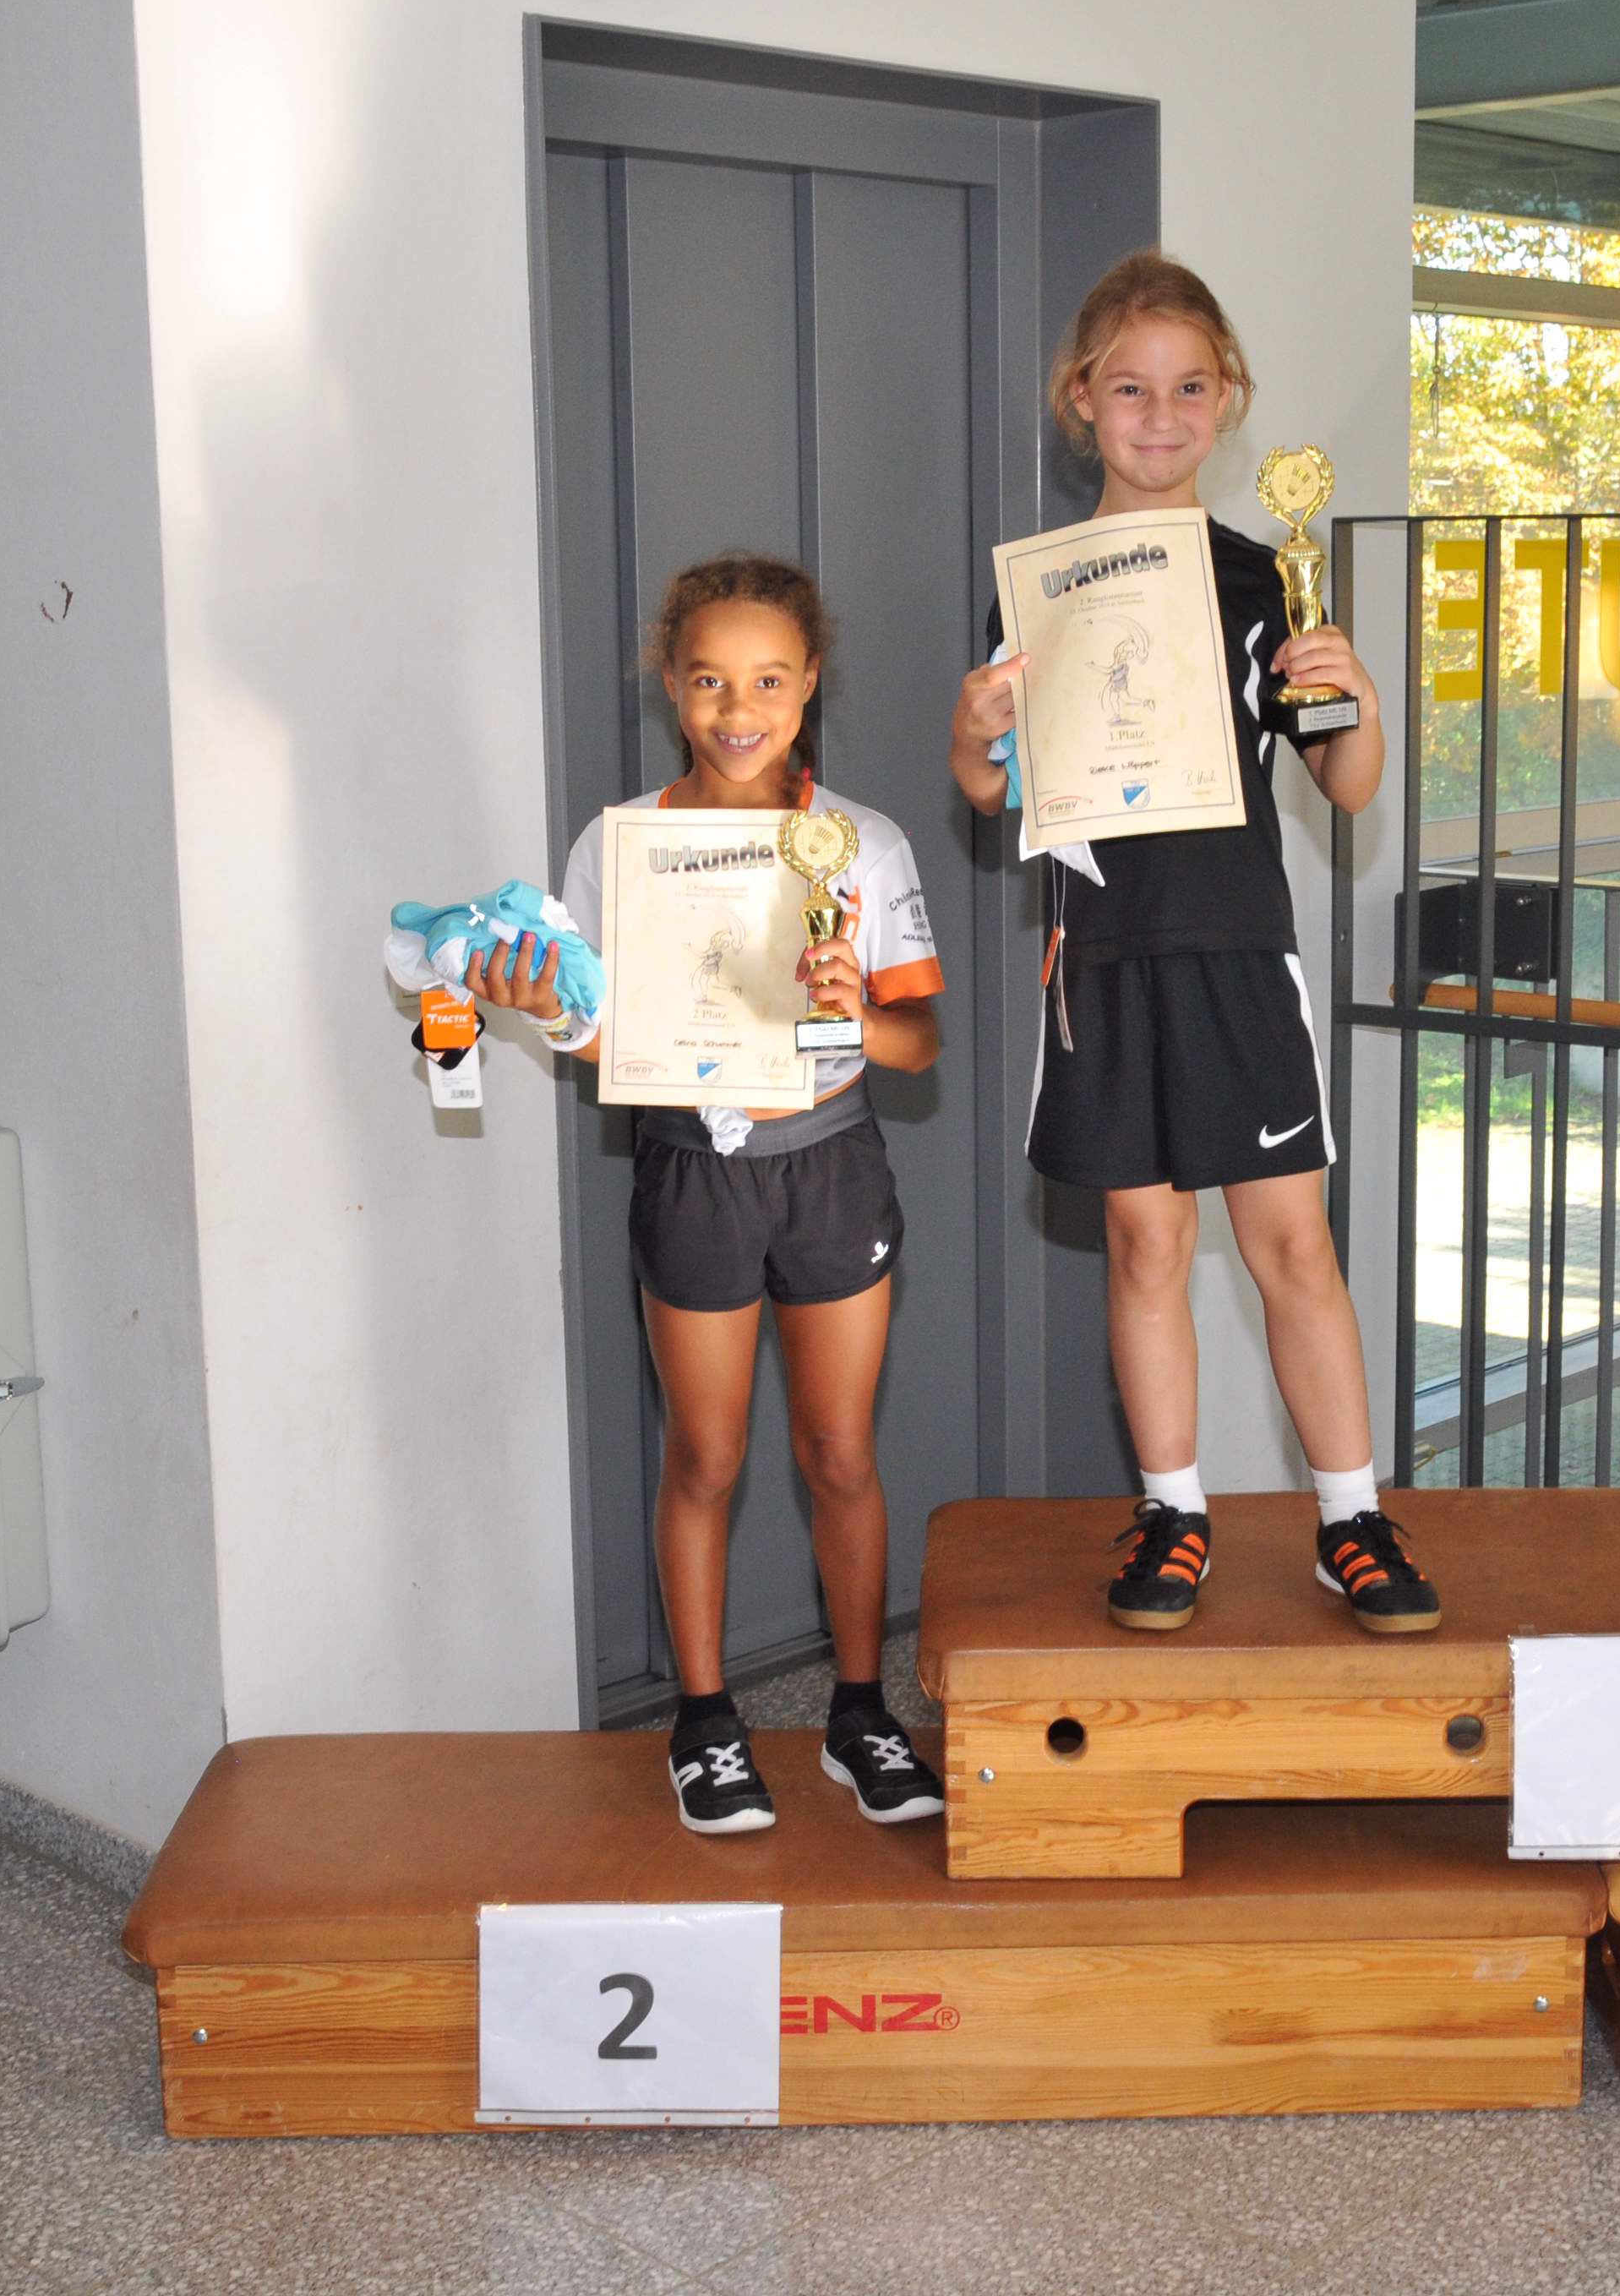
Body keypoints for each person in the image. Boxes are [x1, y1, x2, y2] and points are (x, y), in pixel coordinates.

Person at [947, 252, 1434, 1636]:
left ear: (1227, 400)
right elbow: (991, 794)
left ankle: (1351, 1517)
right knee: (1145, 1244)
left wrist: (1354, 695)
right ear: (1079, 400)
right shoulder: (1036, 593)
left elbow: (1346, 786)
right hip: (1102, 954)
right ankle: (1172, 1510)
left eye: (1188, 389)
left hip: (1235, 950)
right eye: (1129, 389)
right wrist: (971, 733)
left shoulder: (1265, 579)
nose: (1158, 416)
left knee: (1292, 1244)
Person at [472, 553, 948, 1834]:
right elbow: (603, 1037)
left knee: (839, 1451)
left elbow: (919, 1045)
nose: (739, 710)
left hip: (831, 1163)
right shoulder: (618, 847)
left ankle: (860, 1713)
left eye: (769, 681)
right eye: (709, 681)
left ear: (810, 684)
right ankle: (704, 1721)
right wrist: (542, 1011)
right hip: (691, 1169)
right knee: (707, 1453)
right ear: (670, 686)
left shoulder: (862, 843)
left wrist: (855, 1010)